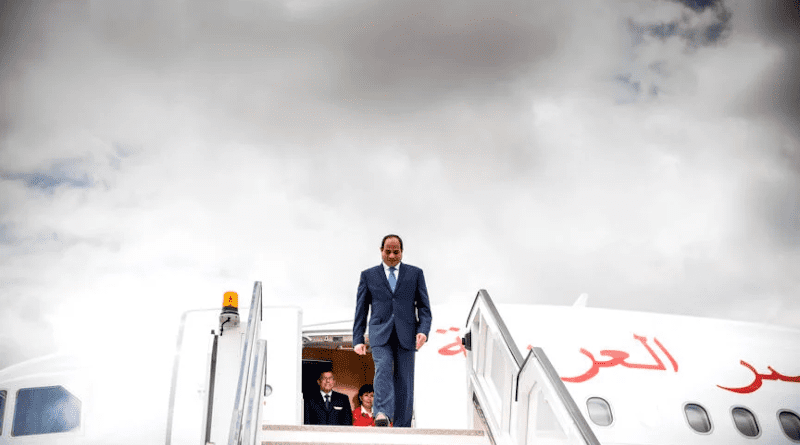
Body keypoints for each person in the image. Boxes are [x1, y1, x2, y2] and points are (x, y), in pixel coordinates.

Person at [353, 234, 432, 428]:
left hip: (407, 333)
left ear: (402, 252)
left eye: (396, 252)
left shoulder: (415, 274)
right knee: (383, 368)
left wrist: (423, 330)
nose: (391, 255)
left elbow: (424, 307)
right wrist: (358, 339)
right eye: (388, 251)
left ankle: (403, 425)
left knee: (405, 378)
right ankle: (382, 413)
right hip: (380, 332)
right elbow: (361, 309)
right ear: (381, 251)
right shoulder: (368, 275)